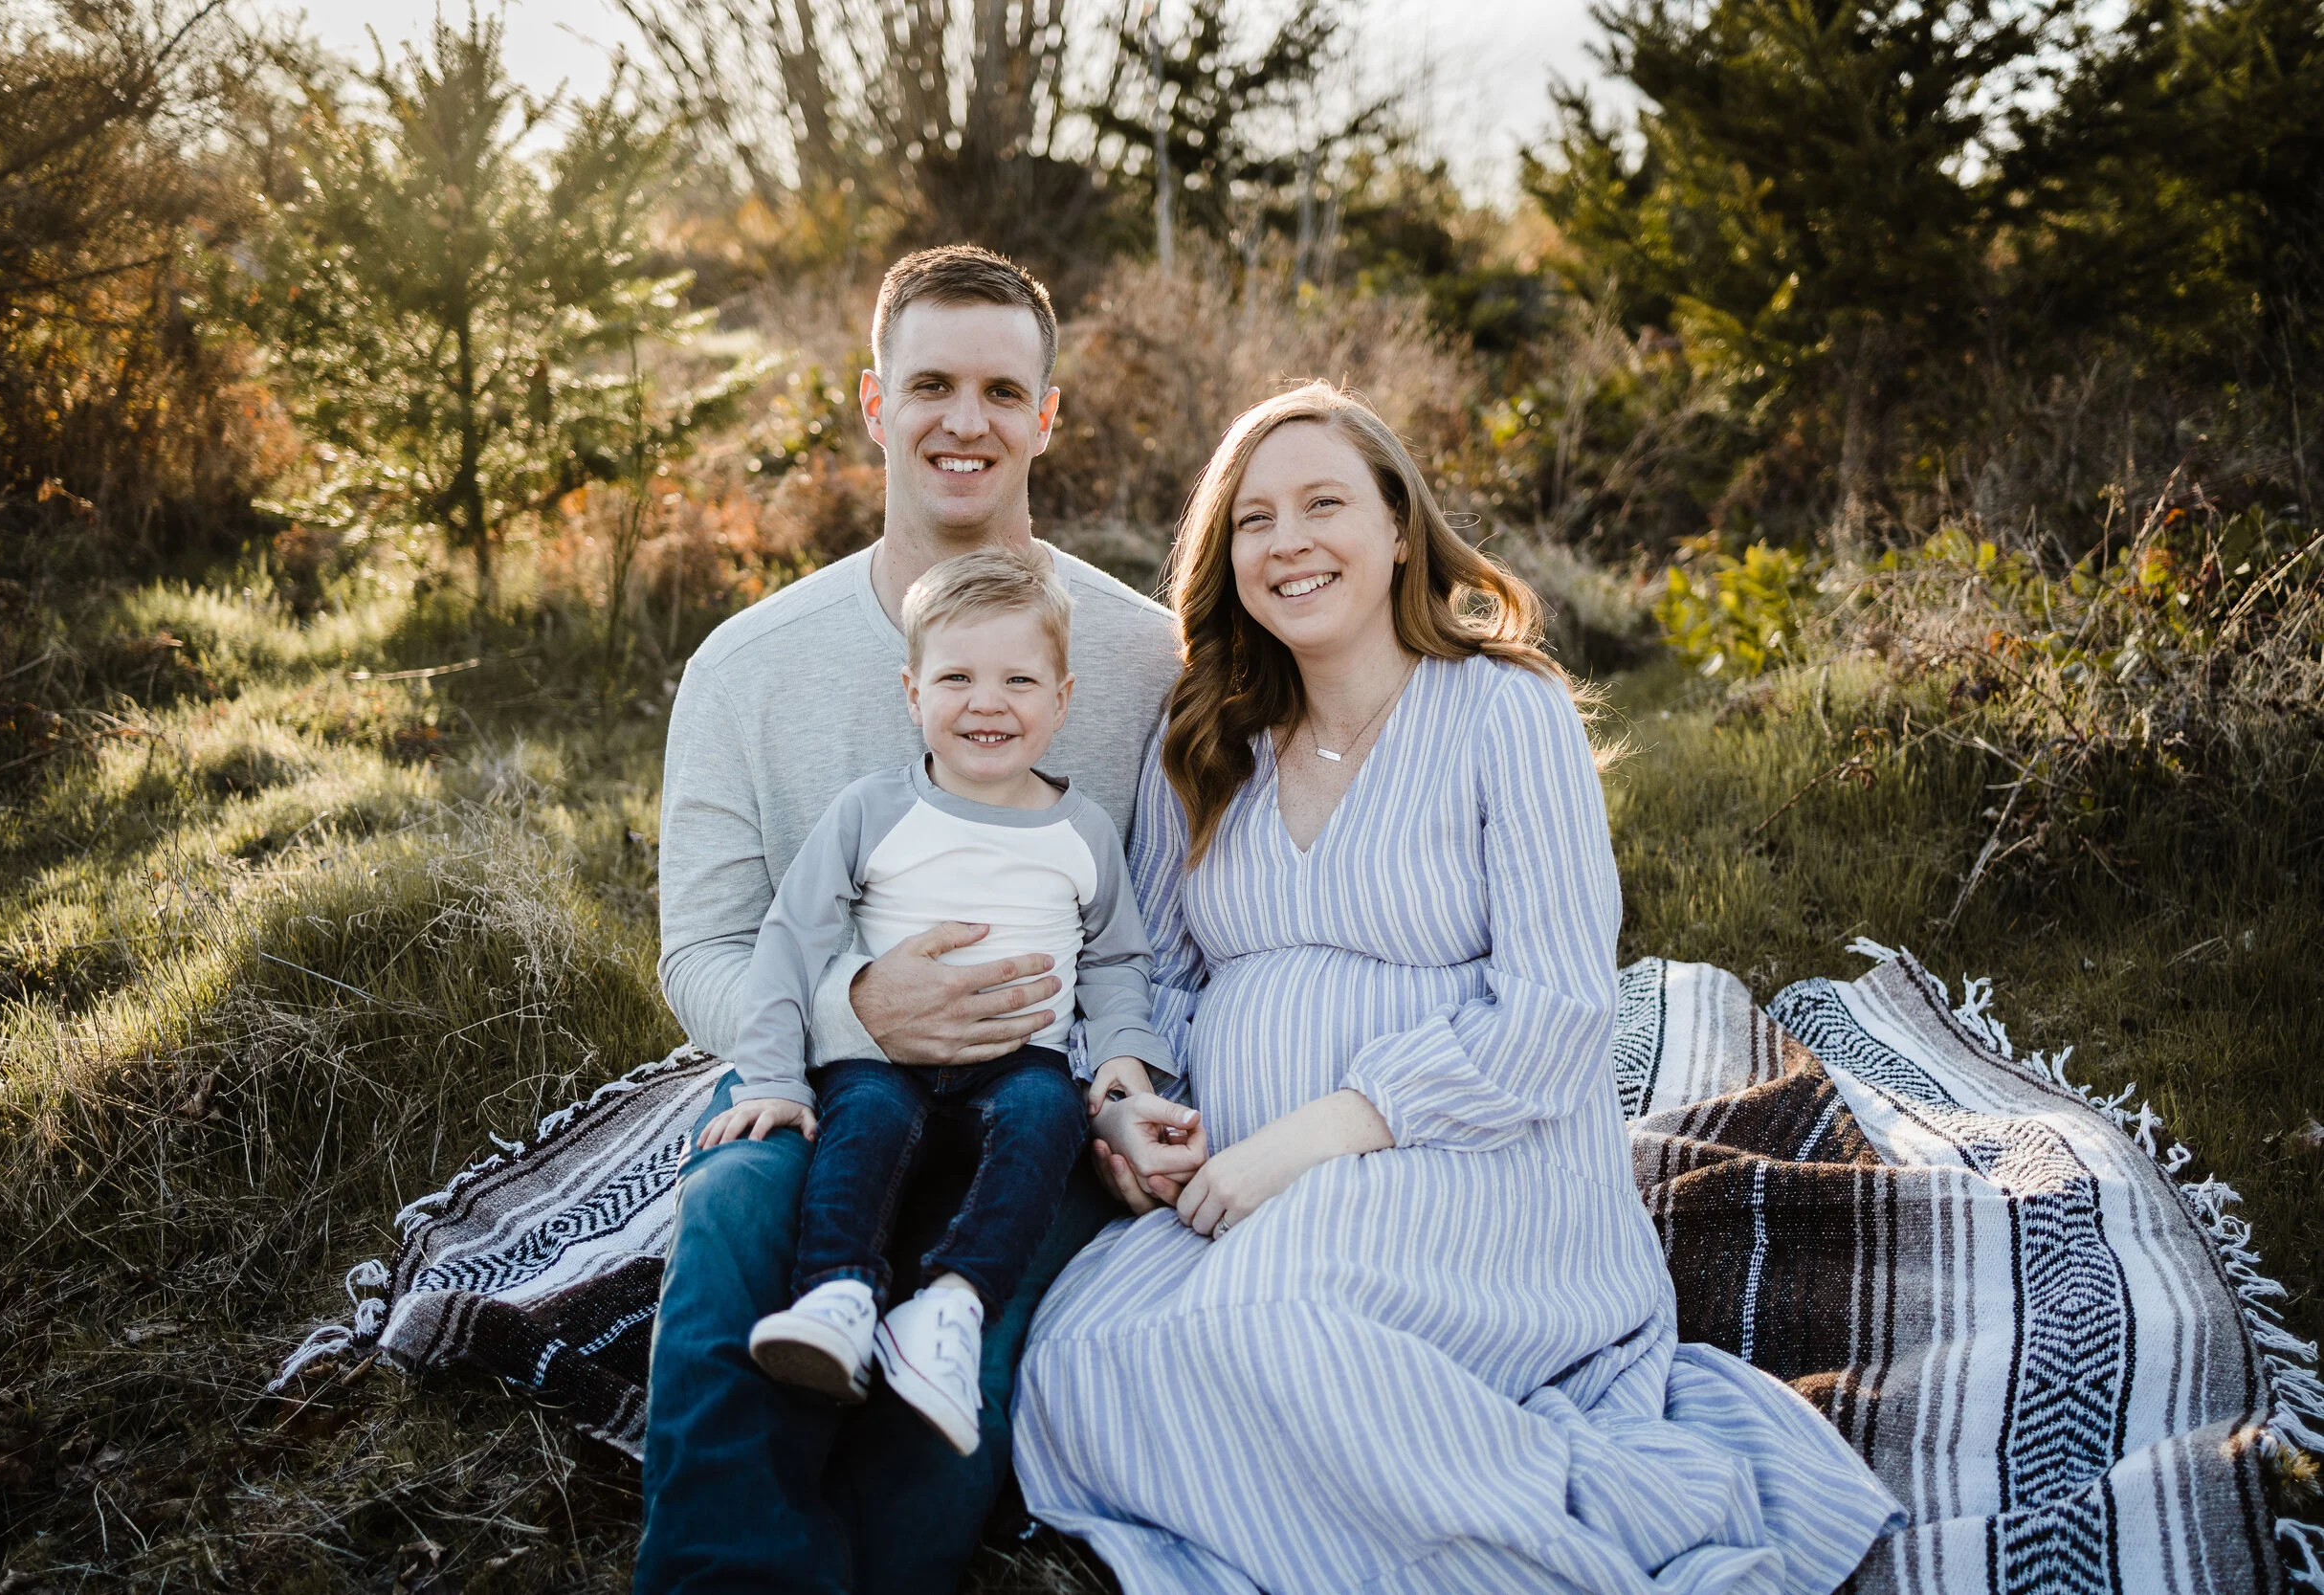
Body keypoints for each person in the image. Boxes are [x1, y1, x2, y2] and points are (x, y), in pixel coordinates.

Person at [1014, 383, 1907, 1595]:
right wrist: (1127, 1103)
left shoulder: (1505, 708)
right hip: (1240, 1185)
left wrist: (1314, 1137)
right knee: (1076, 1361)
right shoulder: (1207, 733)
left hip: (1472, 1162)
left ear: (1396, 528)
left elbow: (1555, 1008)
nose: (1288, 542)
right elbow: (1156, 975)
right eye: (1254, 520)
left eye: (1323, 503)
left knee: (1260, 1337)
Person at [637, 247, 1199, 1595]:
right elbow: (701, 948)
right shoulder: (746, 668)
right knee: (729, 1222)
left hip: (1036, 1107)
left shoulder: (1139, 660)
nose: (967, 420)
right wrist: (853, 1010)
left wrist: (1126, 1087)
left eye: (1003, 389)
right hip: (825, 1082)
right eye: (931, 383)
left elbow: (1162, 937)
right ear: (874, 404)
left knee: (956, 1390)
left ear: (1047, 416)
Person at [711, 549, 1175, 1460]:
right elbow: (788, 941)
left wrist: (1125, 1057)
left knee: (1046, 1120)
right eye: (956, 677)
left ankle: (950, 1307)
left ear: (1063, 698)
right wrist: (773, 1074)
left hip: (1021, 1063)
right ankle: (838, 1298)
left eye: (1019, 679)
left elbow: (1120, 957)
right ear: (913, 693)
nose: (987, 702)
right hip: (884, 1055)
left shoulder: (1080, 831)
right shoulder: (872, 810)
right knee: (868, 1123)